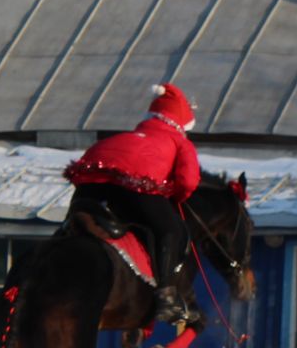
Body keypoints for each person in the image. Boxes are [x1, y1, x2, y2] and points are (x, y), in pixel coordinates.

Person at [63, 82, 201, 324]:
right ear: (182, 124)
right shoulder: (180, 141)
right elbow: (188, 181)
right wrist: (175, 197)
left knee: (73, 223)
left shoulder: (127, 135)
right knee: (171, 230)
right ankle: (166, 297)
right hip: (135, 182)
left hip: (91, 179)